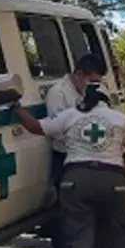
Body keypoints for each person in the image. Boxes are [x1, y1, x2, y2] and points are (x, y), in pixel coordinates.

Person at [11, 81, 125, 248]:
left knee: (79, 234)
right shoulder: (119, 119)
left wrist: (15, 107)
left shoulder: (70, 115)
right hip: (112, 179)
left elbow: (34, 126)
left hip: (76, 179)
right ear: (106, 100)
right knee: (117, 231)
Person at [43, 54, 108, 189]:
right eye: (92, 81)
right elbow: (58, 130)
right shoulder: (58, 93)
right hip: (67, 157)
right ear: (79, 75)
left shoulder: (92, 91)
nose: (95, 86)